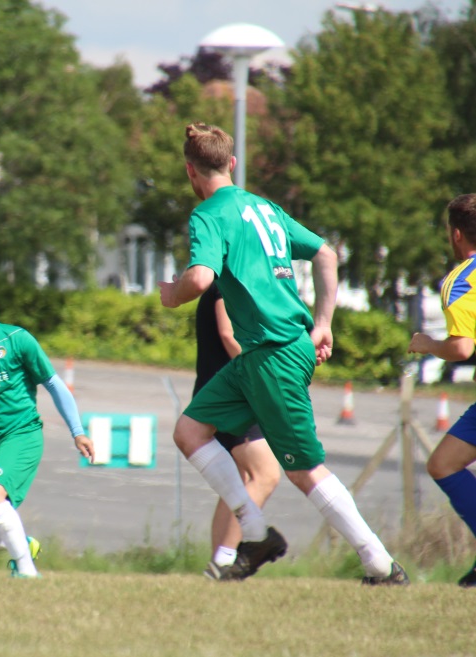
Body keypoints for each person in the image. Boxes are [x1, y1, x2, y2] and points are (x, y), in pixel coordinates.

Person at [159, 123, 407, 584]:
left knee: (304, 471)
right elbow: (326, 254)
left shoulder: (208, 214)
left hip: (273, 355)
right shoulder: (266, 209)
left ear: (190, 171)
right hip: (258, 357)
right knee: (190, 431)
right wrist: (324, 323)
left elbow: (200, 278)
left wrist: (171, 293)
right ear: (232, 164)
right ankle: (255, 533)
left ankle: (381, 565)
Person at [0, 276, 94, 578]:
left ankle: (27, 573)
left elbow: (54, 385)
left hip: (20, 436)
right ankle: (23, 544)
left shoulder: (16, 339)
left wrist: (77, 432)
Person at [408, 193, 476, 588]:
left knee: (443, 464)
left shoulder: (460, 279)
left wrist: (427, 344)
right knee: (445, 462)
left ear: (456, 235)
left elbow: (462, 348)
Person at [194, 284, 280, 580]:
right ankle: (226, 561)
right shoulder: (228, 280)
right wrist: (264, 377)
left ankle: (218, 565)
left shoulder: (237, 278)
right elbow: (228, 334)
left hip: (225, 392)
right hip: (233, 394)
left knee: (239, 482)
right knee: (265, 475)